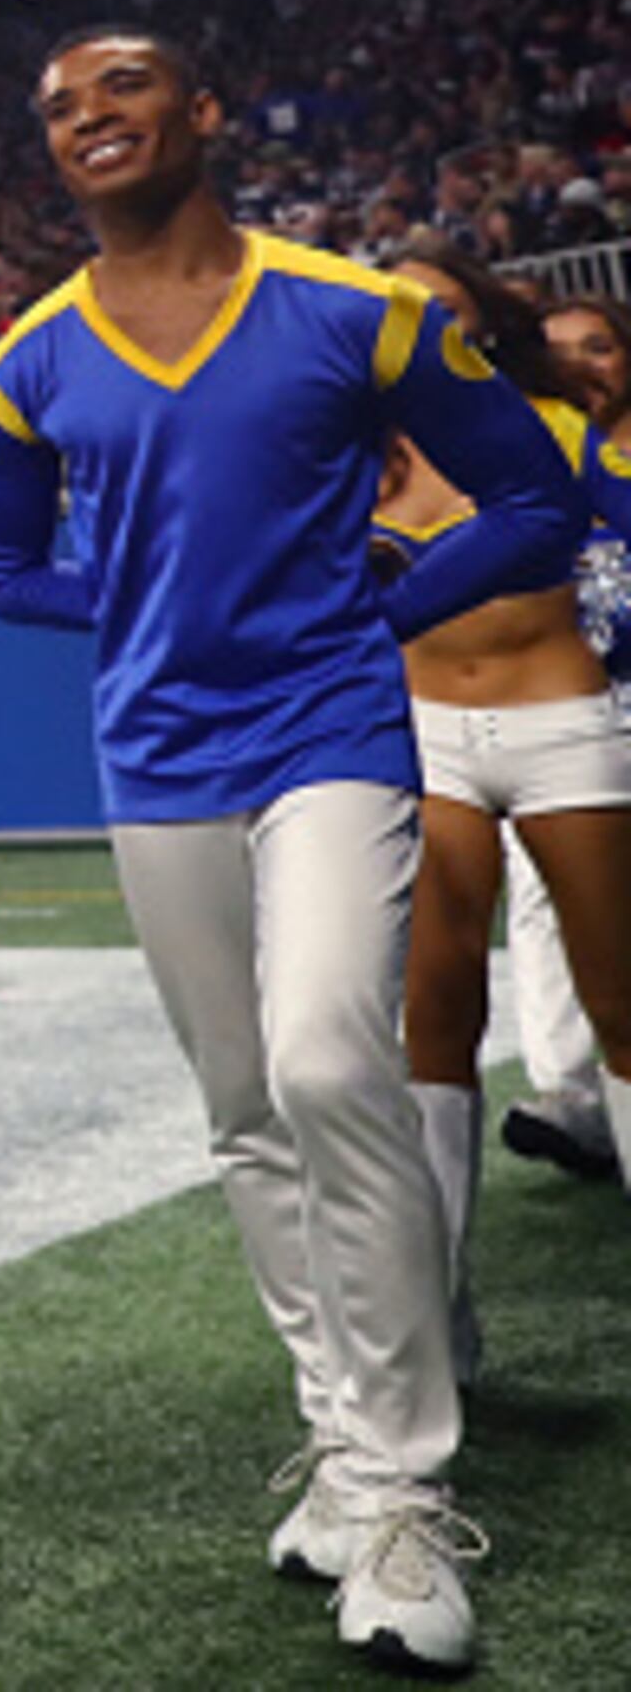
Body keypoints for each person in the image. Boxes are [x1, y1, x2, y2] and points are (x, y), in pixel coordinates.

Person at [0, 29, 585, 1677]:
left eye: (122, 85)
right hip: (156, 762)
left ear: (208, 111)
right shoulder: (25, 360)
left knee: (327, 1063)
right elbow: (2, 568)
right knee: (244, 1114)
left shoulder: (356, 308)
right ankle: (339, 1443)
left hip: (330, 734)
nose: (87, 115)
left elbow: (539, 503)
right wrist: (143, 608)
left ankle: (397, 1493)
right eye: (58, 102)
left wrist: (378, 608)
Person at [374, 238, 631, 1374]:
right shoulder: (356, 455)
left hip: (565, 726)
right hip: (429, 740)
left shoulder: (557, 429)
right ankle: (439, 1315)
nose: (421, 329)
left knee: (619, 997)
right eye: (397, 314)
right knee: (434, 1012)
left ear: (481, 321)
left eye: (442, 310)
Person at [505, 288, 631, 1178]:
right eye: (559, 351)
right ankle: (570, 1092)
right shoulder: (531, 475)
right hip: (567, 715)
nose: (581, 363)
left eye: (600, 346)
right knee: (540, 889)